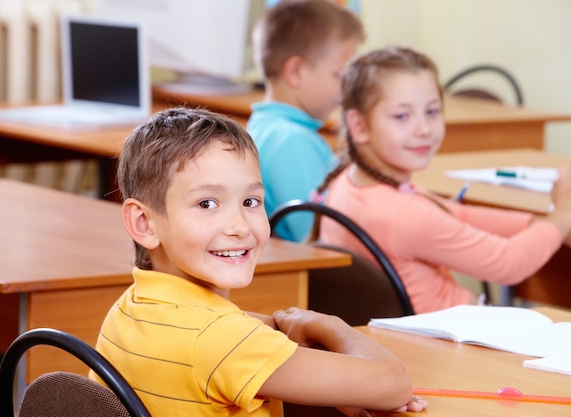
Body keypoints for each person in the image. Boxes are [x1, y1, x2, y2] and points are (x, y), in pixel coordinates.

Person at [90, 107, 427, 416]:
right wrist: (330, 325)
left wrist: (344, 381)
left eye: (251, 201)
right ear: (144, 223)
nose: (239, 226)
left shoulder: (130, 309)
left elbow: (249, 332)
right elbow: (394, 383)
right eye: (207, 204)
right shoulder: (223, 340)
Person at [317, 46, 571, 314]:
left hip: (425, 336)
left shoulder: (350, 182)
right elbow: (509, 264)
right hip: (449, 342)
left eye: (432, 111)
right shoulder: (403, 215)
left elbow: (456, 215)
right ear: (358, 126)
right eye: (402, 116)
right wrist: (562, 216)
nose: (424, 129)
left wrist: (537, 223)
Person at [247, 0, 364, 242]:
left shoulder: (267, 126)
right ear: (296, 71)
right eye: (341, 75)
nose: (349, 89)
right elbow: (320, 239)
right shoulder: (290, 142)